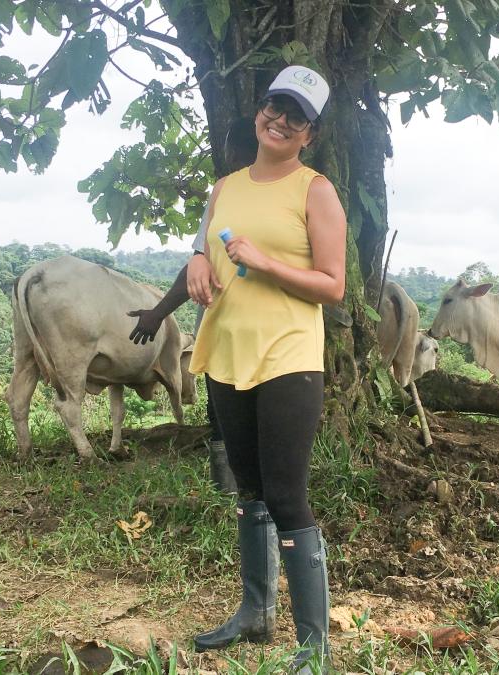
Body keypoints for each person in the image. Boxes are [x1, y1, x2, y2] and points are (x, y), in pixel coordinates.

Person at [187, 66, 347, 674]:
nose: (279, 120)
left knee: (286, 495)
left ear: (309, 132)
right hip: (227, 349)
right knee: (248, 488)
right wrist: (199, 258)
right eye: (273, 106)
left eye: (296, 115)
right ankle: (255, 612)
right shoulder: (225, 185)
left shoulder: (315, 190)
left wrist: (265, 262)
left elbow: (332, 287)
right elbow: (206, 242)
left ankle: (314, 648)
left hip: (287, 358)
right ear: (260, 111)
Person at [126, 117, 259, 494]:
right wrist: (157, 313)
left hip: (267, 332)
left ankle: (245, 490)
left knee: (247, 410)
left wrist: (158, 313)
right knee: (222, 408)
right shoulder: (224, 196)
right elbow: (198, 262)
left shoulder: (298, 195)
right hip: (221, 328)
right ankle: (230, 489)